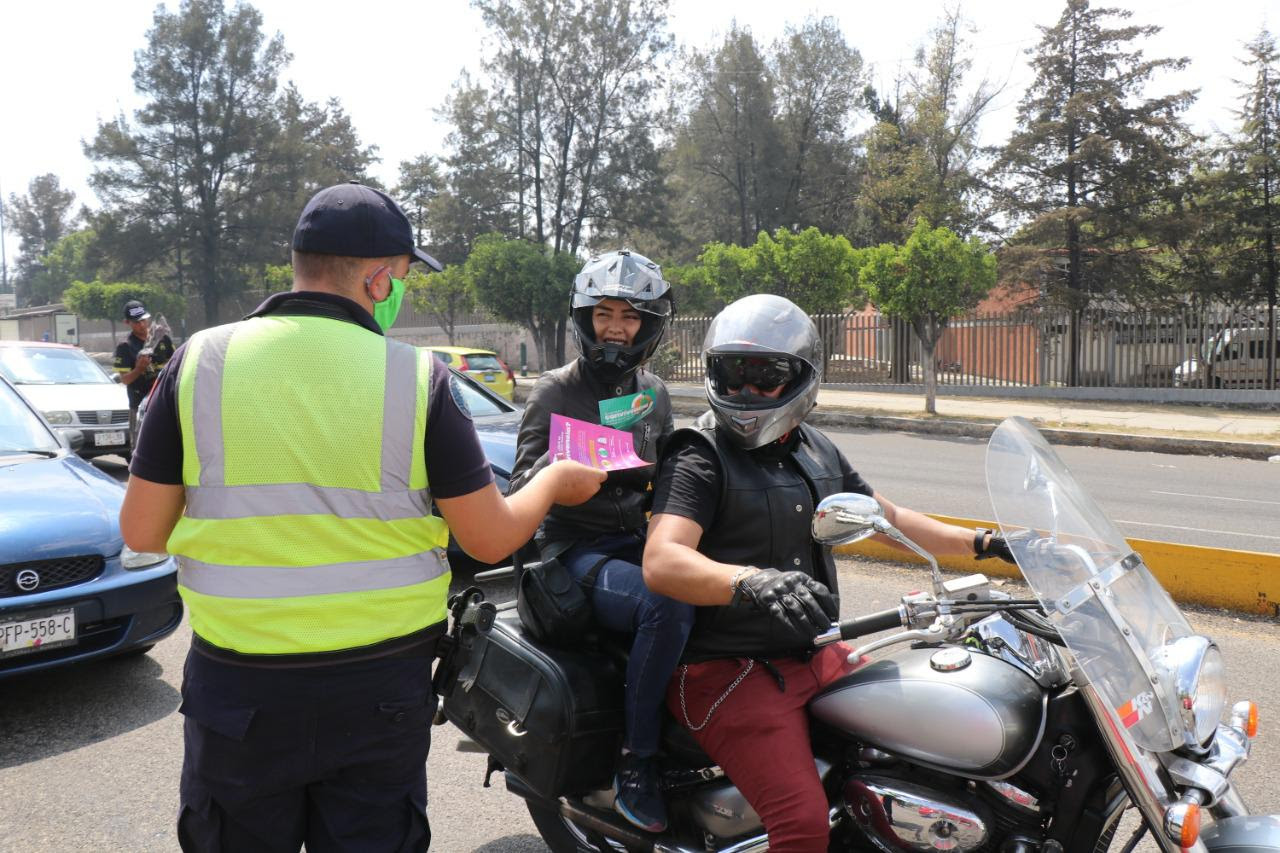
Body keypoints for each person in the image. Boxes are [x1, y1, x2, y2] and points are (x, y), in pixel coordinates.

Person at [119, 181, 606, 853]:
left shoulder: (200, 359)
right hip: (378, 694)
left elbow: (142, 531)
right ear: (378, 278)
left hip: (239, 694)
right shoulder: (415, 377)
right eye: (403, 278)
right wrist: (553, 478)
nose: (401, 292)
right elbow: (489, 537)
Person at [642, 294, 1015, 853]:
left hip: (818, 651)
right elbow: (664, 558)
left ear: (801, 380)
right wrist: (749, 580)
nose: (746, 392)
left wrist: (987, 543)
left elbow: (890, 520)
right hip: (727, 673)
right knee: (802, 827)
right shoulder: (700, 454)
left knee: (932, 741)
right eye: (732, 374)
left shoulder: (817, 450)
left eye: (766, 376)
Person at [509, 249, 693, 833]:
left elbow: (666, 476)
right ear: (585, 319)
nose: (616, 328)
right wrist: (567, 480)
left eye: (631, 317)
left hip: (636, 539)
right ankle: (637, 762)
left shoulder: (654, 393)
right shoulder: (553, 391)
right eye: (605, 314)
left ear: (650, 326)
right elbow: (520, 491)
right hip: (574, 550)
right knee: (667, 598)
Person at [113, 299, 174, 439]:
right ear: (127, 322)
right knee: (140, 447)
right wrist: (139, 368)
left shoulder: (162, 338)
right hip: (140, 405)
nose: (141, 325)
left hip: (164, 402)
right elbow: (125, 379)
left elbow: (175, 362)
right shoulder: (125, 345)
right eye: (136, 322)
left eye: (144, 320)